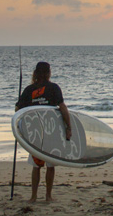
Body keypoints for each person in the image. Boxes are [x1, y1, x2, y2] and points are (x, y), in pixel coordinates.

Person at [14, 61, 72, 202]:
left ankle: (33, 197)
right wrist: (68, 127)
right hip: (51, 131)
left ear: (35, 73)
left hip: (35, 133)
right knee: (50, 165)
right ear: (48, 73)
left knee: (36, 166)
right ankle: (48, 196)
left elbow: (18, 111)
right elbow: (62, 107)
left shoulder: (29, 90)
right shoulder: (54, 88)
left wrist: (20, 128)